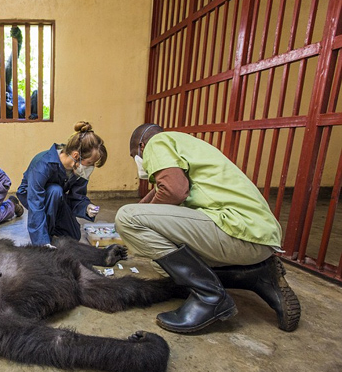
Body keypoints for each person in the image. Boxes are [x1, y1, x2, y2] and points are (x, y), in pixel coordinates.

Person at [115, 123, 301, 334]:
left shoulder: (157, 142)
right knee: (162, 265)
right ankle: (253, 275)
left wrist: (129, 224)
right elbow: (158, 198)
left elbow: (173, 193)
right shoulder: (188, 147)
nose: (138, 161)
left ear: (141, 146)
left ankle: (210, 297)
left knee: (125, 217)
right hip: (255, 239)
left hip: (237, 228)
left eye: (134, 155)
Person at [17, 121, 107, 246]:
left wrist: (86, 207)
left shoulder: (79, 170)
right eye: (90, 163)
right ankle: (44, 237)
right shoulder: (43, 164)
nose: (91, 167)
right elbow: (35, 204)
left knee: (73, 237)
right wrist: (42, 243)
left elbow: (77, 196)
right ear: (76, 155)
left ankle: (52, 228)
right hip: (32, 196)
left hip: (56, 197)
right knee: (55, 190)